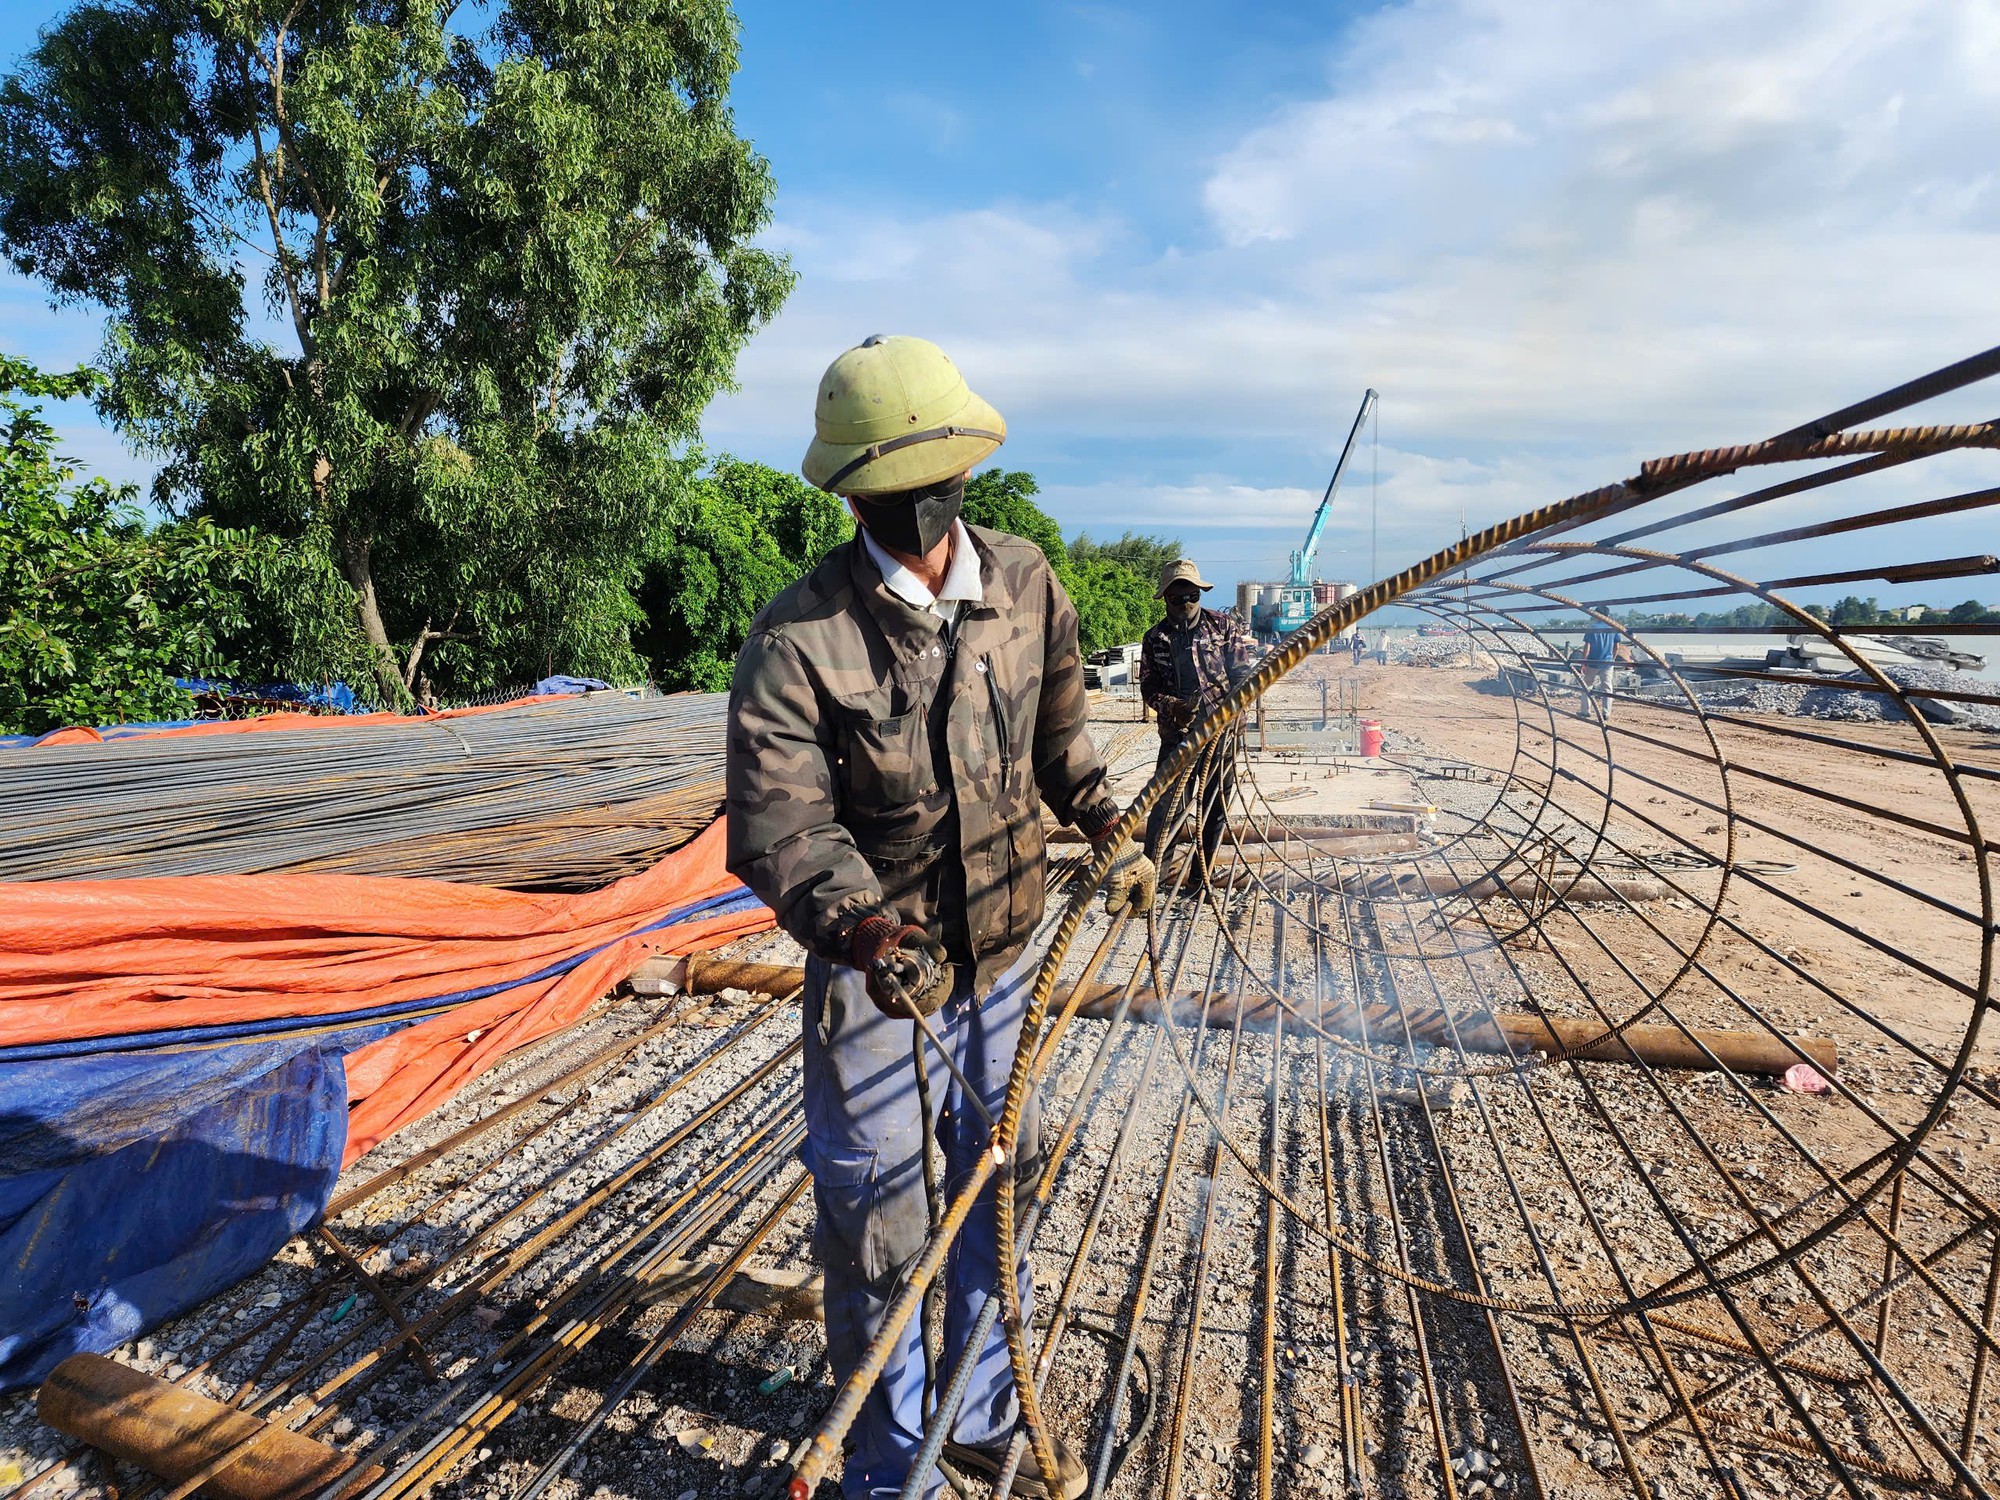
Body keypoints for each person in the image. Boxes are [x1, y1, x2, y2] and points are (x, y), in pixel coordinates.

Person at [726, 335, 1155, 1500]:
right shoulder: (797, 637)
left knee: (994, 1181)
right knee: (875, 1214)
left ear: (966, 469)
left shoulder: (1026, 583)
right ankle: (887, 1458)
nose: (919, 500)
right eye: (891, 482)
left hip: (1006, 961)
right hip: (882, 981)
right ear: (854, 489)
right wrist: (867, 933)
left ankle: (973, 1408)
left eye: (937, 474)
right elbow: (782, 826)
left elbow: (1061, 738)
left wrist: (1109, 819)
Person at [1139, 560, 1259, 887]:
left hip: (1221, 732)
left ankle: (1201, 875)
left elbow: (1243, 677)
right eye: (1177, 599)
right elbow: (1148, 688)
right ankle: (1153, 877)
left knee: (1215, 805)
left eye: (1192, 596)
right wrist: (1172, 706)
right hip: (1177, 735)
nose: (1186, 605)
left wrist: (1230, 713)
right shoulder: (1155, 638)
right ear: (1166, 599)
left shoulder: (1222, 627)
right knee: (1166, 805)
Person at [1582, 616, 1621, 719]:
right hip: (1607, 662)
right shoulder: (1614, 627)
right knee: (1607, 688)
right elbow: (1617, 647)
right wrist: (1612, 659)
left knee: (1587, 686)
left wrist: (1583, 661)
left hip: (1593, 661)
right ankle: (1606, 713)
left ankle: (1585, 711)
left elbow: (1587, 646)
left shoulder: (1592, 628)